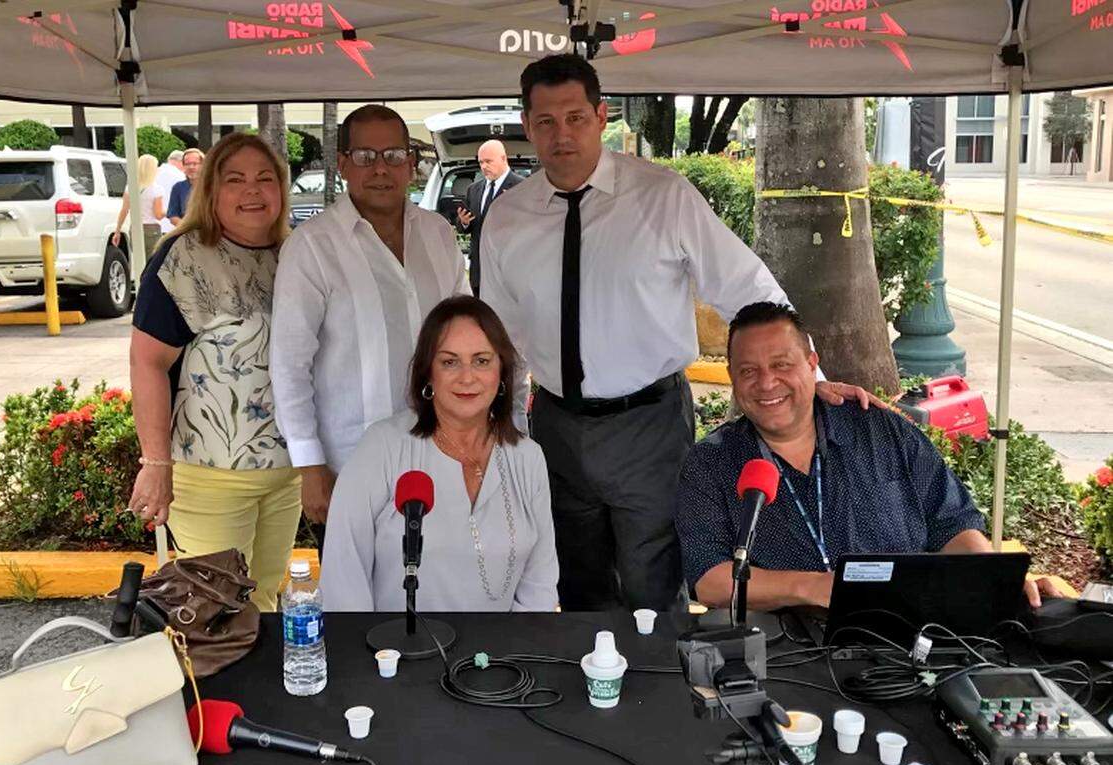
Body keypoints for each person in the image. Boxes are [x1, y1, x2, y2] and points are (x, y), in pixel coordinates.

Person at [480, 54, 872, 612]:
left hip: (650, 426)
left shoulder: (661, 195)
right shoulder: (508, 217)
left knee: (653, 587)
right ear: (527, 127)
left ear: (601, 114)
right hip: (557, 426)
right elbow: (499, 337)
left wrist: (808, 372)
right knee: (572, 581)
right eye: (545, 122)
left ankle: (659, 694)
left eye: (575, 117)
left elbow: (747, 287)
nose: (561, 135)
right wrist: (506, 424)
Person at [675, 301, 1061, 611]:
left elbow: (954, 524)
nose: (766, 383)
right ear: (732, 376)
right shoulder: (712, 462)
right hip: (789, 655)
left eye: (782, 365)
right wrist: (815, 587)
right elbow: (709, 580)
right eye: (748, 371)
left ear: (812, 366)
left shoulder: (880, 429)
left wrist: (995, 581)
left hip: (910, 633)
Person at [271, 104, 470, 537]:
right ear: (342, 164)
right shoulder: (312, 247)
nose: (381, 168)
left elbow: (467, 341)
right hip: (350, 466)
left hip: (441, 457)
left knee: (442, 593)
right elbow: (289, 364)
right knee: (357, 603)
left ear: (411, 163)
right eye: (365, 156)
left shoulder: (438, 235)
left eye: (394, 155)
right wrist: (310, 466)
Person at [127, 133, 300, 612]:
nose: (253, 191)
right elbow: (148, 362)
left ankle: (254, 692)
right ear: (211, 190)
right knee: (214, 615)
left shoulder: (294, 256)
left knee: (263, 606)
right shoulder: (184, 258)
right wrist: (155, 464)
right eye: (235, 179)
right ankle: (216, 693)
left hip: (286, 476)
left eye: (265, 179)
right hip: (210, 479)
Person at [320, 296, 558, 612]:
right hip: (394, 653)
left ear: (502, 373)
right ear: (428, 373)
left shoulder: (527, 458)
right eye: (449, 361)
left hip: (501, 656)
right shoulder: (382, 447)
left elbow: (539, 589)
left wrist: (517, 657)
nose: (467, 377)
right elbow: (343, 581)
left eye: (482, 360)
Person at [455, 140, 522, 295]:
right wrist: (464, 223)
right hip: (479, 269)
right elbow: (466, 226)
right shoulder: (474, 189)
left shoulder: (521, 187)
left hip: (507, 270)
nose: (484, 166)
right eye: (481, 162)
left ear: (503, 159)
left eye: (488, 161)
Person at [112, 154, 167, 256]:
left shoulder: (130, 187)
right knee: (150, 263)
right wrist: (169, 211)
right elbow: (158, 215)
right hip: (151, 229)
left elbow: (124, 210)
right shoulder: (157, 189)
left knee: (138, 262)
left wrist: (117, 231)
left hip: (135, 229)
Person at [167, 148, 204, 227]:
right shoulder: (178, 187)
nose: (191, 167)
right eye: (187, 164)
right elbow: (173, 215)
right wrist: (188, 228)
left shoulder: (213, 186)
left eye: (195, 163)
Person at [155, 150, 187, 232]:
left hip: (154, 226)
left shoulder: (154, 173)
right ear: (181, 162)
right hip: (173, 226)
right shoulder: (182, 177)